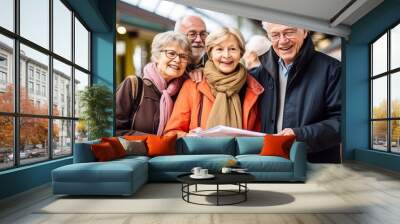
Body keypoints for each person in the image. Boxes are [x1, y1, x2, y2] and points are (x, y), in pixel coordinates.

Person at [253, 22, 341, 163]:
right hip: (269, 162)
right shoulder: (258, 75)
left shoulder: (332, 70)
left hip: (314, 166)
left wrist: (299, 135)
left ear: (305, 31)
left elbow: (342, 122)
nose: (283, 40)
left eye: (289, 32)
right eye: (275, 35)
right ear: (268, 37)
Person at [164, 27, 264, 137]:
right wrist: (187, 137)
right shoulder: (193, 85)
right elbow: (171, 133)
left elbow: (257, 136)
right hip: (202, 153)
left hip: (239, 154)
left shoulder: (253, 88)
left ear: (241, 53)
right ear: (210, 53)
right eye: (219, 49)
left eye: (232, 49)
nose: (226, 55)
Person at [116, 31, 191, 136]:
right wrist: (158, 143)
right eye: (171, 53)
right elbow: (114, 129)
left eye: (183, 56)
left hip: (174, 152)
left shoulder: (185, 90)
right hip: (136, 152)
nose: (177, 60)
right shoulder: (133, 85)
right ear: (156, 56)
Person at [175, 15, 208, 81]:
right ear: (177, 37)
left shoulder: (216, 63)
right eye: (192, 34)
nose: (199, 40)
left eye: (203, 34)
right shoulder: (168, 65)